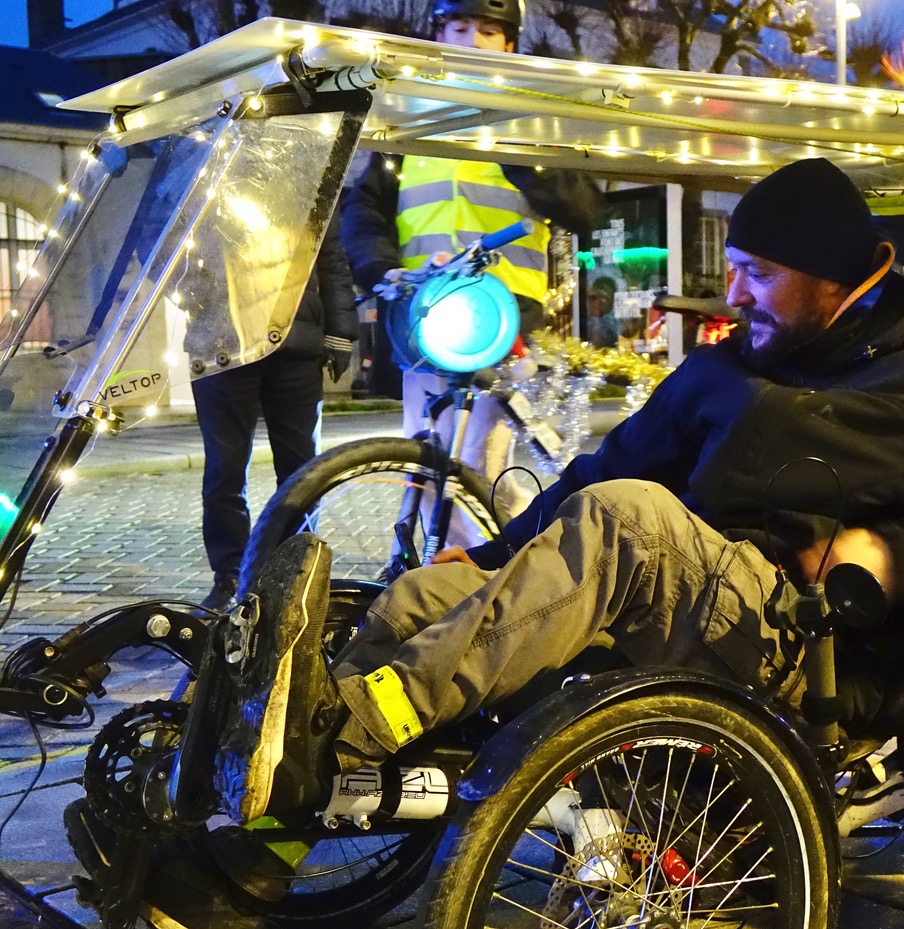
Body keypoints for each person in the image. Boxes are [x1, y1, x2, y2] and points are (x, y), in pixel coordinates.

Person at [207, 157, 904, 826]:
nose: (732, 295)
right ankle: (278, 815)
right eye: (732, 269)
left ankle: (354, 730)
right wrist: (496, 555)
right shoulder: (725, 369)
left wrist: (888, 555)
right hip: (690, 605)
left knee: (630, 522)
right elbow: (602, 467)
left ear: (842, 282)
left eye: (756, 274)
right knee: (426, 592)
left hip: (813, 645)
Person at [339, 0, 603, 497]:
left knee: (481, 461)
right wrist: (381, 267)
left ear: (508, 44)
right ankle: (441, 564)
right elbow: (364, 209)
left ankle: (486, 560)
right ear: (439, 37)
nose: (472, 42)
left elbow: (586, 208)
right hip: (421, 311)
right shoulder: (409, 121)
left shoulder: (533, 120)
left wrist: (526, 157)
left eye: (487, 31)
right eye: (459, 28)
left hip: (503, 314)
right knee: (423, 457)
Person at [192, 218, 357, 612]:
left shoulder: (308, 171)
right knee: (224, 471)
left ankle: (296, 570)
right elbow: (166, 239)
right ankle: (229, 576)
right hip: (222, 343)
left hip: (295, 343)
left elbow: (330, 257)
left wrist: (340, 333)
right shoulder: (211, 171)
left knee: (301, 473)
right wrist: (195, 294)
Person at [585, 275, 621, 348]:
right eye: (593, 297)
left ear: (612, 303)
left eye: (605, 298)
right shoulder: (579, 319)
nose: (599, 302)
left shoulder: (612, 325)